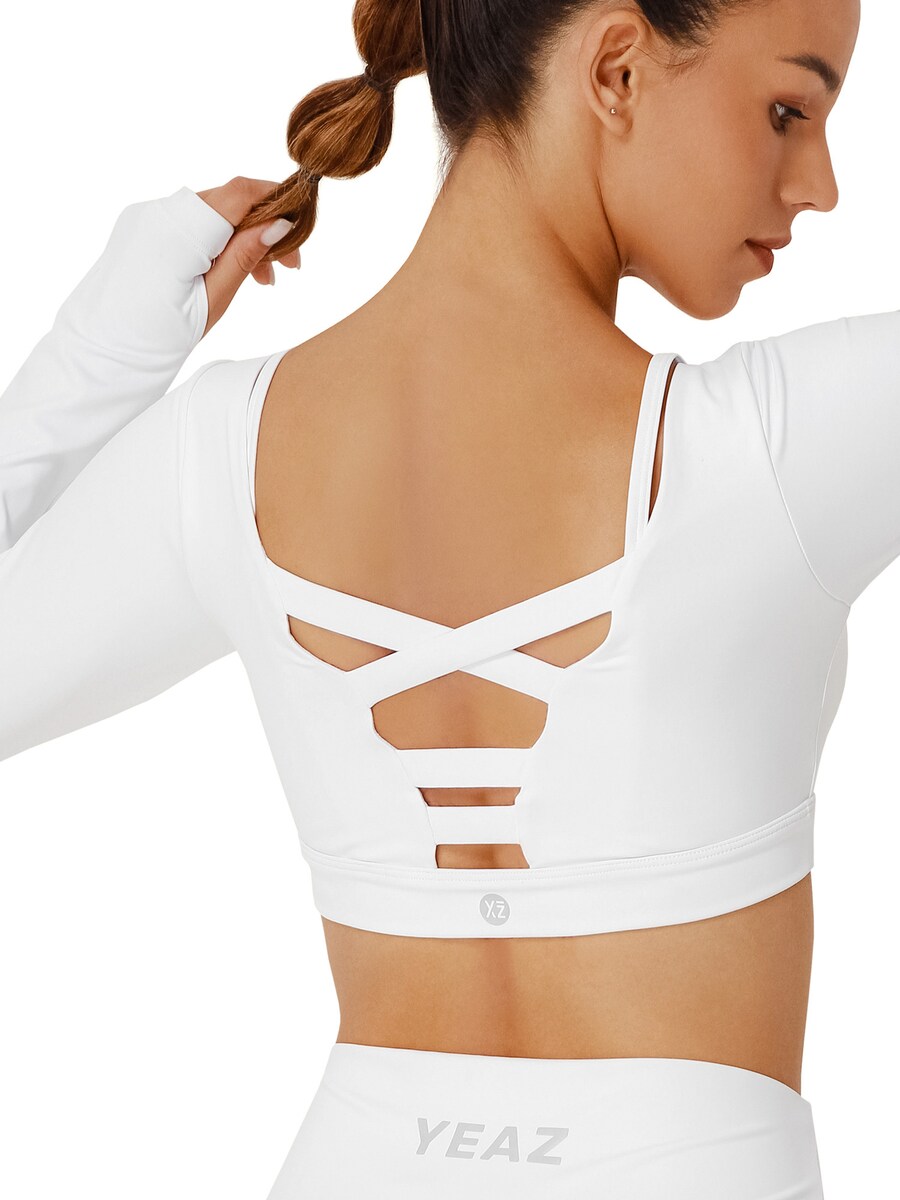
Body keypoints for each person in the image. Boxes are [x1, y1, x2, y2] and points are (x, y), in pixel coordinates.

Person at [1, 0, 887, 1195]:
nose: (820, 185)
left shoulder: (218, 454)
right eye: (789, 110)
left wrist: (95, 356)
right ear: (618, 69)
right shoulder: (784, 445)